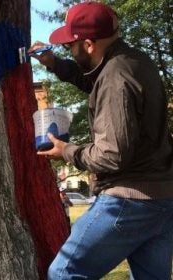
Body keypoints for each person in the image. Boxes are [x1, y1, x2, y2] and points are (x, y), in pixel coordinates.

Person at [29, 2, 173, 279]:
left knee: (64, 273)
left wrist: (67, 150)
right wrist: (55, 64)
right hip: (163, 195)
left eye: (69, 46)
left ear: (88, 44)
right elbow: (94, 82)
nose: (67, 50)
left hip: (130, 199)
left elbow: (111, 155)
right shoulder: (135, 62)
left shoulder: (115, 79)